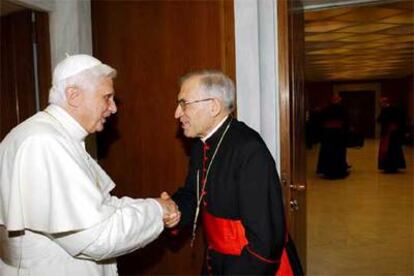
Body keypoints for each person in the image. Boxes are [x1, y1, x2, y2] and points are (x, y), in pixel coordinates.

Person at [0, 54, 180, 276]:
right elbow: (99, 237)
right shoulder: (45, 143)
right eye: (107, 97)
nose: (113, 108)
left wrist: (151, 204)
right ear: (73, 96)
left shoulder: (52, 134)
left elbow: (99, 206)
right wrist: (156, 210)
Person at [163, 70, 286, 275]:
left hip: (247, 266)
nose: (177, 113)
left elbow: (266, 241)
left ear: (213, 106)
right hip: (215, 260)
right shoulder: (199, 146)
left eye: (184, 103)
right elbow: (193, 195)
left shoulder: (249, 150)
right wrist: (174, 210)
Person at [316, 95, 350, 179]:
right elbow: (347, 121)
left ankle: (327, 171)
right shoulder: (342, 109)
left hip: (328, 134)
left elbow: (320, 121)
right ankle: (339, 171)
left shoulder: (326, 109)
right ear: (338, 100)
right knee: (338, 152)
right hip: (338, 134)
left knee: (328, 151)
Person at [377, 97, 406, 173]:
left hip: (390, 133)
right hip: (390, 133)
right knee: (390, 150)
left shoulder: (390, 109)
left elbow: (381, 119)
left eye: (381, 103)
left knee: (390, 150)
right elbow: (379, 119)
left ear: (385, 102)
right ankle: (390, 166)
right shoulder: (389, 109)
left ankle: (390, 167)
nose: (380, 105)